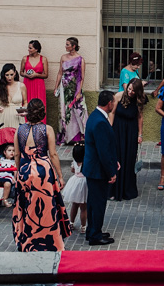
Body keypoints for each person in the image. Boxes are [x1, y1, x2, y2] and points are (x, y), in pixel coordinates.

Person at [12, 99, 71, 251]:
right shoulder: (47, 129)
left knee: (27, 206)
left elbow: (17, 154)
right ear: (42, 113)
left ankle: (27, 241)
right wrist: (60, 176)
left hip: (25, 170)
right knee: (46, 207)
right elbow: (53, 154)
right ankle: (49, 240)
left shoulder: (19, 130)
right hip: (43, 171)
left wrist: (19, 172)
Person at [82, 90, 119, 245]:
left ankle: (92, 230)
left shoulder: (94, 116)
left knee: (93, 202)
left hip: (92, 167)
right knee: (98, 204)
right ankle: (95, 235)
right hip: (97, 170)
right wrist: (111, 171)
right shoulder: (101, 122)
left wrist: (114, 160)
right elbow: (103, 150)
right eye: (114, 103)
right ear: (109, 103)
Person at [111, 77, 145, 201]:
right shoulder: (119, 96)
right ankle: (115, 189)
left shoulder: (139, 100)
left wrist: (140, 134)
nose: (130, 92)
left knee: (129, 159)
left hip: (131, 131)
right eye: (129, 89)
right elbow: (112, 113)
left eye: (133, 90)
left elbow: (140, 117)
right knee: (117, 158)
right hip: (118, 129)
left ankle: (127, 189)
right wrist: (110, 129)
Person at [56, 37, 88, 145]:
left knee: (79, 111)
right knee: (65, 111)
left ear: (73, 46)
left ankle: (80, 136)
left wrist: (78, 92)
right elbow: (60, 73)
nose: (65, 46)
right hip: (64, 88)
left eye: (67, 44)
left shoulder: (80, 59)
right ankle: (65, 137)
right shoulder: (63, 57)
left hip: (75, 87)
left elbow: (82, 77)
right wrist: (56, 87)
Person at [0, 63, 26, 135]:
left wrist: (23, 111)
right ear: (4, 75)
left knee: (18, 140)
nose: (9, 77)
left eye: (11, 74)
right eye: (7, 75)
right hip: (3, 116)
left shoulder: (21, 86)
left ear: (15, 73)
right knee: (2, 141)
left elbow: (25, 102)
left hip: (17, 116)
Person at [19, 40, 49, 122]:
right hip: (27, 84)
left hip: (39, 85)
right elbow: (21, 72)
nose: (28, 49)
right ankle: (23, 122)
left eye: (30, 48)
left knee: (39, 104)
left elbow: (46, 75)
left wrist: (36, 75)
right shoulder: (25, 58)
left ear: (36, 49)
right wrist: (26, 75)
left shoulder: (43, 59)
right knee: (25, 102)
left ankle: (41, 124)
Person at [61, 144, 88, 232]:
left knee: (74, 205)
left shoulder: (75, 161)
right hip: (84, 183)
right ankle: (83, 227)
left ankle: (71, 222)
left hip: (75, 182)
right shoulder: (86, 161)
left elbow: (73, 170)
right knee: (83, 208)